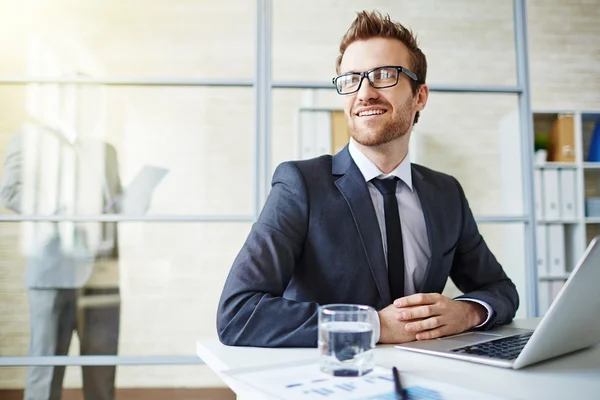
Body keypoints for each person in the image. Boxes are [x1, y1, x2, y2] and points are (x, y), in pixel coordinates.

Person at [217, 10, 519, 348]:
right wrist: (372, 325)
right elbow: (239, 313)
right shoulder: (300, 184)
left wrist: (468, 313)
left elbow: (501, 290)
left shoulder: (445, 191)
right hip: (330, 379)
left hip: (427, 377)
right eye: (351, 79)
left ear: (420, 96)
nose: (365, 93)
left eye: (384, 75)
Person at [0, 121, 122, 400]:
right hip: (53, 274)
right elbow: (10, 191)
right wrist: (64, 208)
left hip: (102, 276)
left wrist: (137, 200)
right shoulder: (30, 140)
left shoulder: (107, 151)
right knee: (45, 372)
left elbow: (115, 203)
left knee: (102, 374)